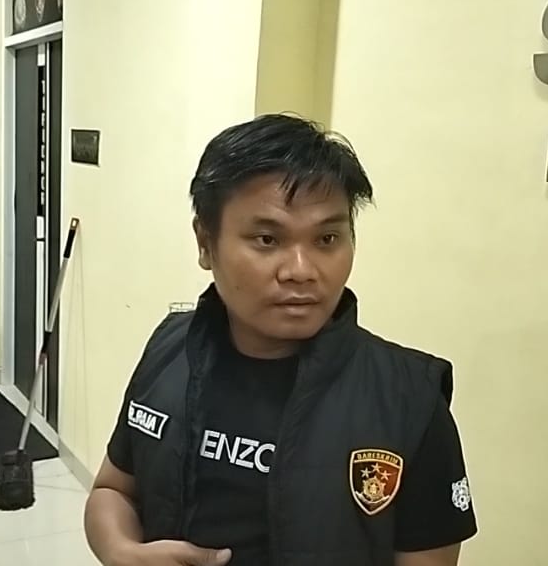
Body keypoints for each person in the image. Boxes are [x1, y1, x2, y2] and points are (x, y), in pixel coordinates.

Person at [84, 114, 478, 566]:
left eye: (327, 238)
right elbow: (114, 489)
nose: (301, 271)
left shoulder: (408, 398)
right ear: (205, 243)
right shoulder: (170, 348)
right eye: (267, 239)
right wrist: (120, 551)